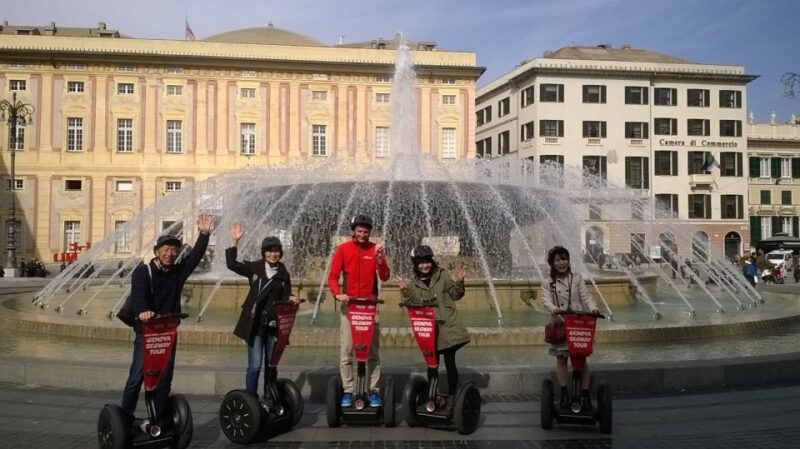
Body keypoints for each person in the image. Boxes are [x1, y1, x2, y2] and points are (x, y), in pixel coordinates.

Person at [120, 213, 213, 419]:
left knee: (164, 377)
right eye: (165, 250)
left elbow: (195, 256)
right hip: (147, 332)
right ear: (157, 251)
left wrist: (204, 234)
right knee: (137, 376)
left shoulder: (177, 273)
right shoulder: (143, 271)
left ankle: (159, 417)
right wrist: (143, 310)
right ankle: (125, 417)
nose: (169, 254)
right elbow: (139, 294)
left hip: (167, 333)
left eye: (173, 250)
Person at [226, 222, 300, 402]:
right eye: (269, 251)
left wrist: (292, 298)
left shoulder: (283, 273)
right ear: (264, 253)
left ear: (280, 253)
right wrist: (234, 242)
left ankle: (269, 397)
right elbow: (232, 264)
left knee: (271, 365)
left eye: (276, 251)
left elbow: (286, 294)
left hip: (273, 326)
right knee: (255, 365)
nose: (273, 254)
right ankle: (251, 399)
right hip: (255, 325)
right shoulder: (255, 268)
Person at [327, 214, 390, 408]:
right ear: (354, 231)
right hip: (350, 306)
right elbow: (333, 277)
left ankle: (374, 390)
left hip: (370, 307)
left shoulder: (375, 249)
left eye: (366, 232)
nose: (362, 235)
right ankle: (348, 390)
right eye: (359, 231)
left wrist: (380, 260)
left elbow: (385, 276)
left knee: (372, 352)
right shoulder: (343, 249)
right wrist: (338, 294)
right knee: (347, 350)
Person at [398, 245, 469, 412]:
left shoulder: (442, 275)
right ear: (416, 264)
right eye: (420, 263)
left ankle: (452, 396)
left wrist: (460, 282)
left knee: (450, 362)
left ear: (432, 261)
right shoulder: (414, 284)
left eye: (427, 262)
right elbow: (413, 304)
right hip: (429, 330)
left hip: (447, 326)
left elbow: (456, 294)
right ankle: (433, 396)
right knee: (432, 364)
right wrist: (406, 292)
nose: (425, 266)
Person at [541, 246, 599, 411]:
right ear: (552, 263)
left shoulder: (577, 278)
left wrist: (593, 308)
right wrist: (554, 309)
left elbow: (586, 297)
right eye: (558, 260)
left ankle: (585, 394)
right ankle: (564, 392)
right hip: (560, 324)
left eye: (564, 259)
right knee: (561, 359)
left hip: (578, 323)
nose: (562, 263)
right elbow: (546, 300)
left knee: (581, 359)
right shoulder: (547, 282)